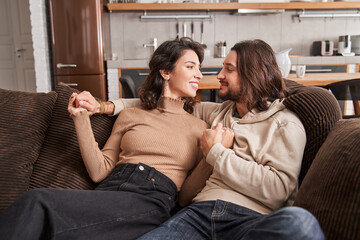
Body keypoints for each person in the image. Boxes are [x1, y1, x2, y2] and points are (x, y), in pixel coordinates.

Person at [76, 39, 324, 239]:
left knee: (300, 223)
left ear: (252, 75)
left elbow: (279, 191)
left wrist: (217, 153)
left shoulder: (285, 124)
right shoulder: (217, 112)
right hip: (197, 216)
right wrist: (105, 106)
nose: (217, 75)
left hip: (251, 218)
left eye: (228, 69)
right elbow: (162, 102)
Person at [0, 37, 235, 240]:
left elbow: (184, 197)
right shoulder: (131, 114)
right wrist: (81, 119)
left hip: (151, 199)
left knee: (37, 202)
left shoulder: (200, 128)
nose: (199, 74)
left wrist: (210, 156)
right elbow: (99, 171)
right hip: (109, 191)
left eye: (199, 68)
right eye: (191, 66)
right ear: (165, 71)